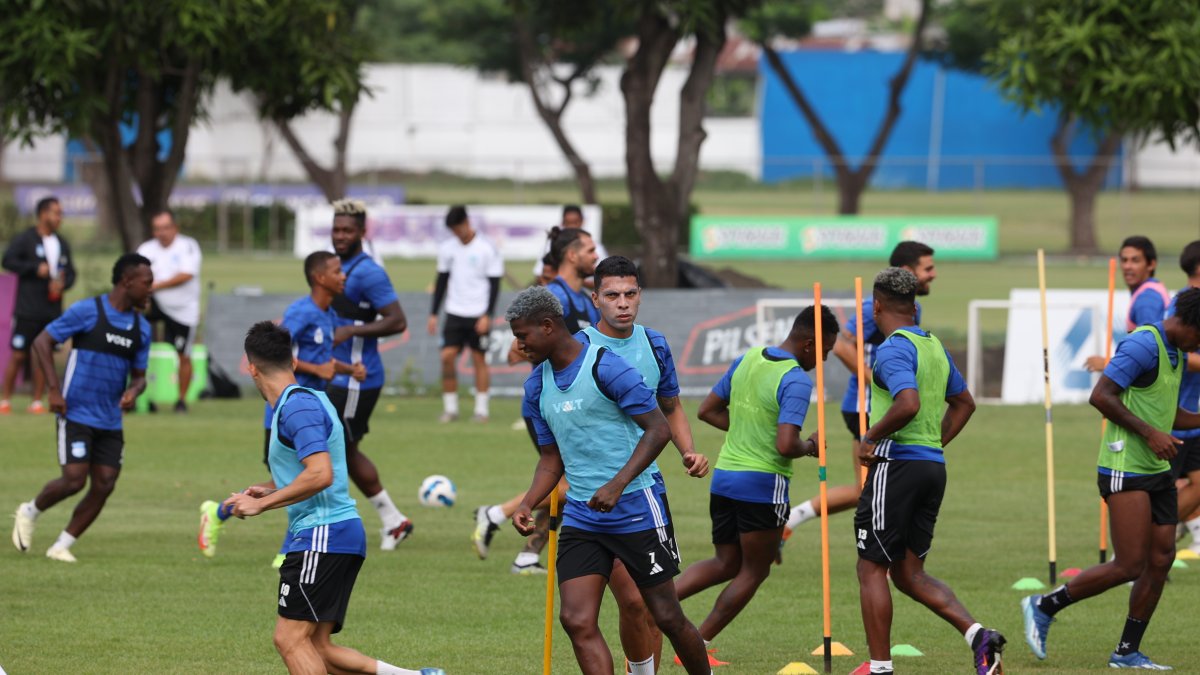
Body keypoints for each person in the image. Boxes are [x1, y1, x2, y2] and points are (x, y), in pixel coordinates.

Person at [506, 286, 712, 675]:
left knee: (666, 616)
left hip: (636, 506)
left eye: (523, 336)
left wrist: (617, 484)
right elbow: (551, 459)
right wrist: (526, 503)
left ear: (548, 326)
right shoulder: (536, 386)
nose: (518, 346)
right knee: (576, 619)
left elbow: (657, 430)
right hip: (584, 518)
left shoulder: (607, 366)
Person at [220, 321, 443, 675]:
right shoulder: (313, 400)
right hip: (337, 533)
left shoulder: (296, 408)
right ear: (293, 361)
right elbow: (316, 469)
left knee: (290, 639)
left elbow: (321, 474)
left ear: (251, 368)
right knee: (317, 647)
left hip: (321, 535)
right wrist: (272, 488)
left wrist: (262, 504)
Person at [1022, 287, 1200, 671]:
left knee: (1162, 557)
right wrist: (1150, 434)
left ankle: (1126, 652)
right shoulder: (1143, 345)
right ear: (1187, 323)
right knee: (1130, 564)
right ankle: (1043, 605)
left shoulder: (1177, 352)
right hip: (1125, 466)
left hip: (1157, 471)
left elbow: (1166, 414)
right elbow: (1102, 396)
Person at [853, 267, 1004, 675]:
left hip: (896, 466)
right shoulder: (933, 345)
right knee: (907, 572)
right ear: (915, 306)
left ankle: (880, 669)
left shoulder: (892, 349)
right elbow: (965, 403)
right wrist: (933, 445)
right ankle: (979, 637)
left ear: (877, 306)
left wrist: (870, 437)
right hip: (931, 467)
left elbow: (908, 403)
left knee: (871, 567)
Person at [673, 304, 837, 663]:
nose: (823, 361)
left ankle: (653, 603)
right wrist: (811, 447)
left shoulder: (748, 358)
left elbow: (708, 410)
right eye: (825, 352)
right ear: (810, 343)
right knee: (755, 569)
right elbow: (785, 445)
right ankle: (694, 643)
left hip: (725, 478)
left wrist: (751, 430)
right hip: (763, 484)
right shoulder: (795, 379)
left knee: (724, 562)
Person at [199, 251, 364, 561]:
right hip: (287, 412)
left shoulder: (329, 315)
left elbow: (313, 361)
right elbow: (277, 354)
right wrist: (318, 372)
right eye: (337, 270)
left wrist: (344, 370)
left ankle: (287, 550)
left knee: (307, 471)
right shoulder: (301, 313)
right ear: (319, 277)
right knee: (301, 472)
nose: (344, 276)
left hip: (309, 408)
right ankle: (225, 515)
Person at [781, 241, 936, 561]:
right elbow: (841, 346)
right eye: (928, 268)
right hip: (866, 407)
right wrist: (876, 380)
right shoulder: (874, 308)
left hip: (880, 407)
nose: (934, 274)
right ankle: (882, 555)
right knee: (872, 488)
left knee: (864, 488)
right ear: (908, 272)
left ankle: (790, 519)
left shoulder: (913, 310)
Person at [10, 253, 151, 563]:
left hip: (110, 419)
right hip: (74, 412)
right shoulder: (89, 310)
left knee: (105, 483)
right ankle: (30, 511)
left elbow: (140, 378)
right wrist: (53, 389)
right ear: (127, 281)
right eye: (146, 283)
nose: (150, 289)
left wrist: (133, 391)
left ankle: (61, 545)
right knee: (74, 479)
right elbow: (42, 342)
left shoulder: (142, 328)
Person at [326, 198, 414, 551]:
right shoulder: (333, 267)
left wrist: (352, 332)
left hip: (356, 380)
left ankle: (378, 521)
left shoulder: (368, 272)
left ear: (362, 232)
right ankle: (392, 520)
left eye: (347, 230)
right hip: (337, 375)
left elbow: (398, 319)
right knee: (342, 451)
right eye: (336, 229)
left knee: (337, 450)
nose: (340, 235)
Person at [428, 205, 504, 423]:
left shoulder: (487, 248)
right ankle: (450, 408)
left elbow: (495, 284)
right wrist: (433, 313)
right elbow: (441, 281)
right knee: (446, 357)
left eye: (458, 228)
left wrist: (487, 315)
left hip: (478, 312)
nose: (456, 233)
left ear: (467, 223)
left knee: (479, 359)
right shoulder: (447, 248)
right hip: (454, 312)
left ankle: (481, 410)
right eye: (452, 230)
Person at [2, 196, 76, 415]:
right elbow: (7, 261)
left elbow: (71, 273)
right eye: (56, 213)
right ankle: (5, 399)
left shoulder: (62, 243)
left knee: (44, 355)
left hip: (51, 310)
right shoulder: (25, 239)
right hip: (27, 309)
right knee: (18, 354)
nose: (59, 218)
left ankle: (36, 401)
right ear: (43, 214)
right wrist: (35, 269)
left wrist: (64, 283)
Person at [136, 209, 202, 413]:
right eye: (157, 229)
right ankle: (137, 397)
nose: (161, 233)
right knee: (134, 344)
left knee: (183, 354)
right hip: (155, 304)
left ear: (175, 228)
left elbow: (186, 274)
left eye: (166, 228)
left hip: (183, 308)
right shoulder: (147, 249)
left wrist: (155, 285)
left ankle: (180, 401)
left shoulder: (187, 246)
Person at [1085, 235, 1170, 373]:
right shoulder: (1153, 289)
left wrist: (1109, 365)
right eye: (1124, 260)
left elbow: (1148, 352)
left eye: (1135, 260)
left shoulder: (1147, 299)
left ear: (1151, 264)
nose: (1127, 266)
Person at [1172, 241, 1200, 553]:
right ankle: (1136, 545)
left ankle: (1165, 527)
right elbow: (1178, 354)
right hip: (1173, 418)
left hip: (1193, 417)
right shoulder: (1181, 304)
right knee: (1161, 490)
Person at [532, 205, 608, 283]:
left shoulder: (594, 245)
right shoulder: (552, 245)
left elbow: (606, 279)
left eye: (575, 222)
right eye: (568, 223)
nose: (572, 226)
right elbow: (540, 274)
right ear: (571, 255)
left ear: (582, 221)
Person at [545, 227, 600, 334]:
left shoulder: (588, 300)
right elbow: (521, 348)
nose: (596, 256)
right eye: (591, 251)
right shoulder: (553, 296)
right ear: (572, 255)